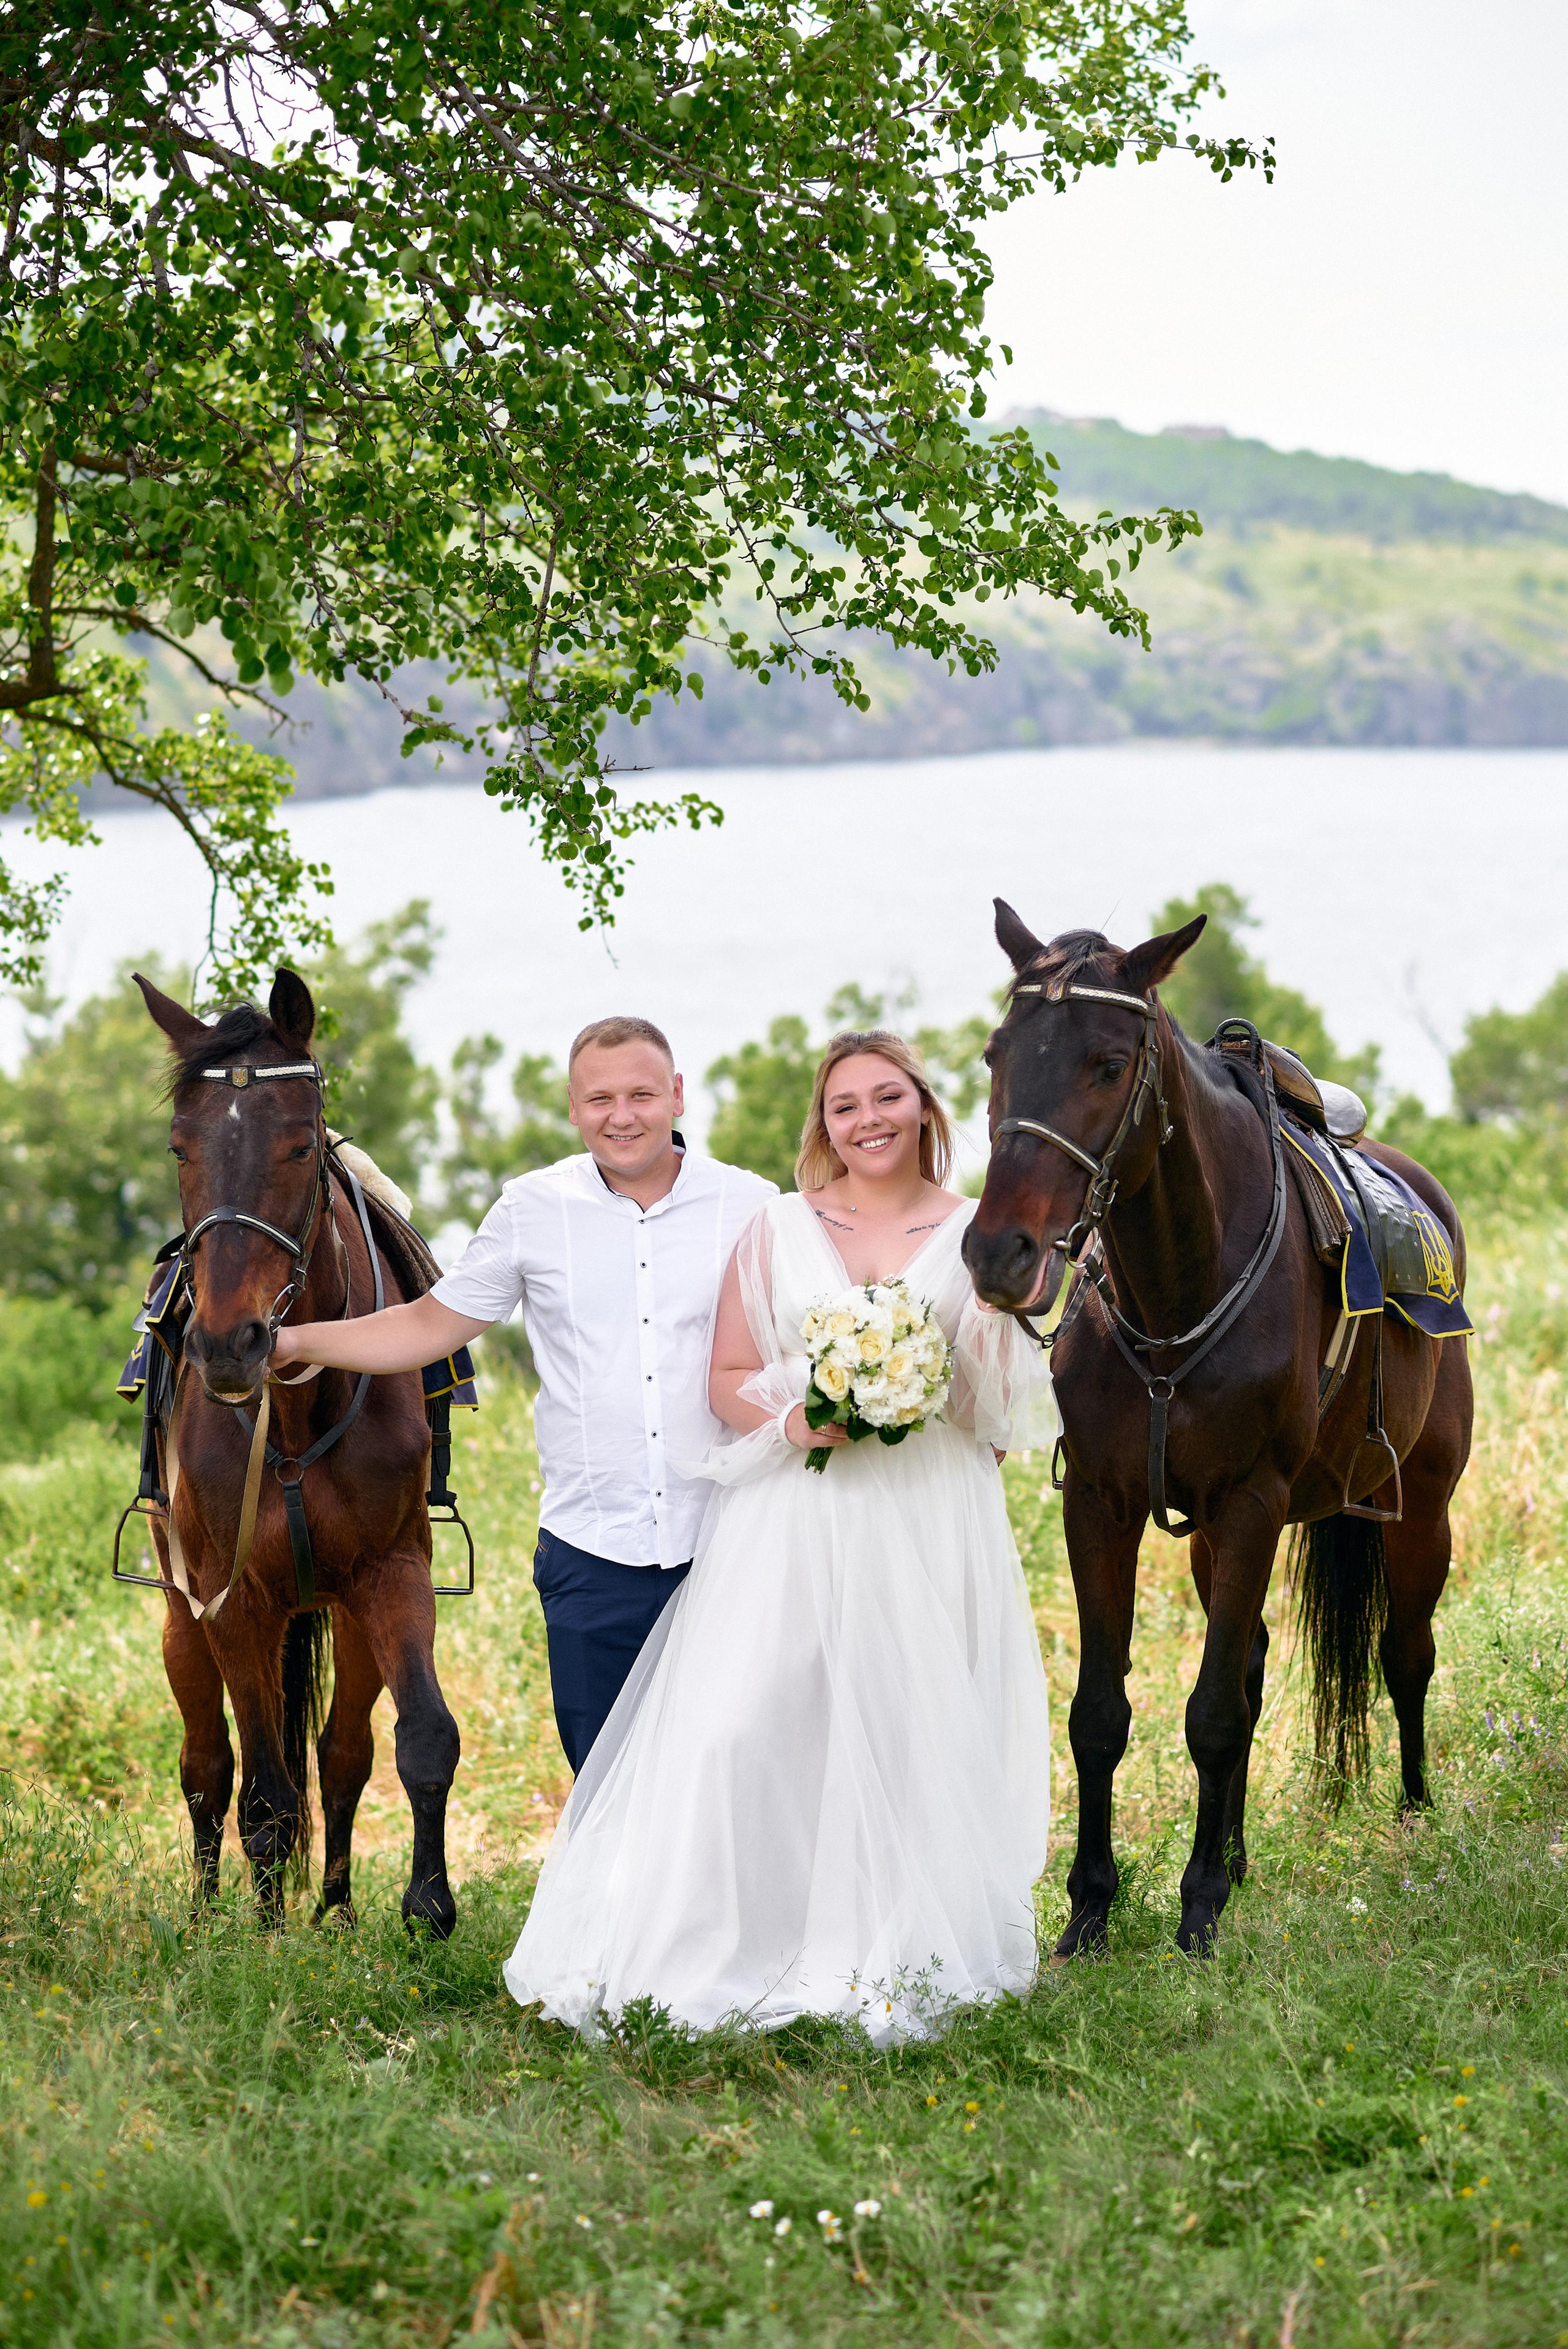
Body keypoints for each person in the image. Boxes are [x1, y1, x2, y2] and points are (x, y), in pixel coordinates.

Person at [505, 1028, 1055, 2044]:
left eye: (887, 1097)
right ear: (824, 1124)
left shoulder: (975, 1228)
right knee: (746, 1723)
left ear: (923, 1107)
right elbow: (724, 1379)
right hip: (794, 1510)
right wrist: (801, 1414)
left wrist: (945, 1364)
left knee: (909, 1725)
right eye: (845, 1105)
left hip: (926, 1505)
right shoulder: (778, 1223)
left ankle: (895, 1940)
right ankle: (731, 1934)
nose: (868, 1119)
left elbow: (990, 1410)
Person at [272, 1015, 774, 1772]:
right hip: (593, 1553)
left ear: (676, 1095)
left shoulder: (752, 1205)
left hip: (731, 1545)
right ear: (573, 1108)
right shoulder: (532, 1209)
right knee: (604, 1782)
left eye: (641, 1095)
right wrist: (297, 1343)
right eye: (599, 1099)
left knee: (732, 1777)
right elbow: (430, 1324)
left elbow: (804, 1336)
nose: (621, 1116)